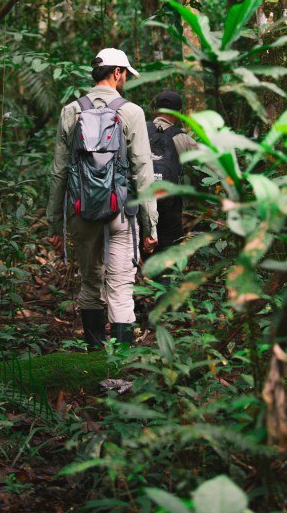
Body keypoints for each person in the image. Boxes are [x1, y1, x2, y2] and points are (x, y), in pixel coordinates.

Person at [46, 47, 158, 348]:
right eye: (125, 74)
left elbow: (58, 172)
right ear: (118, 73)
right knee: (121, 288)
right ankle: (120, 368)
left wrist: (54, 224)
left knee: (90, 283)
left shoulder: (71, 110)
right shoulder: (131, 112)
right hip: (121, 212)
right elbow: (143, 172)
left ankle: (94, 359)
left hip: (81, 211)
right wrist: (151, 227)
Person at [147, 90, 197, 253]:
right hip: (169, 209)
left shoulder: (139, 131)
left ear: (155, 110)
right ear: (179, 113)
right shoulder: (183, 139)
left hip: (139, 206)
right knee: (168, 261)